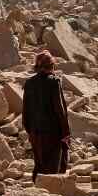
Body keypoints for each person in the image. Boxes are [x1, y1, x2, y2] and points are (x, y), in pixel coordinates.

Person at [22, 51, 70, 180]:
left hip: (35, 132)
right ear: (51, 66)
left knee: (39, 164)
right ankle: (51, 194)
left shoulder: (29, 83)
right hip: (53, 132)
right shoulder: (54, 82)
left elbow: (25, 110)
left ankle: (38, 191)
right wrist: (66, 132)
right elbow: (60, 109)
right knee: (54, 165)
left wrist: (30, 131)